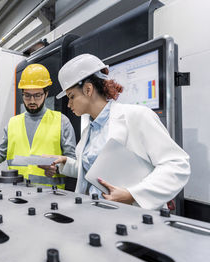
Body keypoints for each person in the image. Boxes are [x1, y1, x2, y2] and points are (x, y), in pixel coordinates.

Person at [40, 54, 190, 210]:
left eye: (71, 96)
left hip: (133, 216)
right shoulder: (89, 131)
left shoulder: (137, 116)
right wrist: (64, 162)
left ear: (88, 89)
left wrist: (132, 194)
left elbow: (177, 164)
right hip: (96, 212)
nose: (69, 104)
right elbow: (95, 172)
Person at [0, 64, 76, 189]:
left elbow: (72, 161)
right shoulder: (13, 123)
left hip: (50, 197)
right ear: (22, 94)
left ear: (46, 93)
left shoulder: (61, 121)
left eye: (37, 95)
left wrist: (57, 169)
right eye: (27, 95)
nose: (32, 101)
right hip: (16, 194)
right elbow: (0, 153)